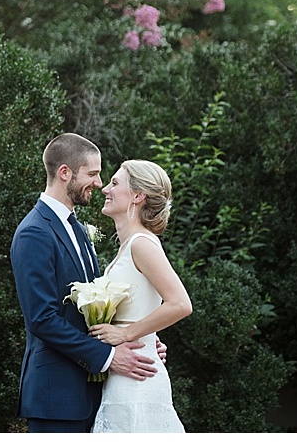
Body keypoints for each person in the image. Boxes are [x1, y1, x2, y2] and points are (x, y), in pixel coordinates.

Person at [10, 134, 161, 433]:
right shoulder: (34, 232)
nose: (99, 183)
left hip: (95, 394)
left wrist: (137, 341)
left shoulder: (78, 229)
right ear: (65, 173)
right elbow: (42, 318)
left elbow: (92, 308)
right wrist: (108, 357)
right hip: (57, 398)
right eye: (92, 174)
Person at [89, 159, 192, 433]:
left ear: (137, 196)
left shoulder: (142, 244)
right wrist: (148, 335)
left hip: (137, 381)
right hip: (125, 374)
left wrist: (127, 334)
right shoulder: (127, 247)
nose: (105, 189)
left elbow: (180, 303)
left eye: (114, 183)